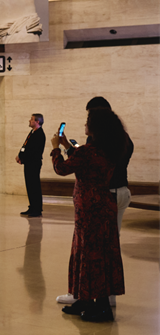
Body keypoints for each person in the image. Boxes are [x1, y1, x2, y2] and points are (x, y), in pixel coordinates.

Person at [56, 97, 134, 307]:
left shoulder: (92, 149)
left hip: (97, 202)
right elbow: (90, 162)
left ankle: (98, 299)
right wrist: (73, 149)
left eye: (89, 118)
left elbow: (64, 168)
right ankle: (95, 297)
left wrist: (57, 149)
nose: (85, 123)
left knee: (92, 251)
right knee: (105, 248)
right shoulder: (113, 144)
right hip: (109, 198)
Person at [17, 113, 45, 218]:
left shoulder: (40, 134)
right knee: (29, 185)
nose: (29, 120)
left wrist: (23, 158)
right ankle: (32, 206)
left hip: (33, 164)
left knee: (34, 186)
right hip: (28, 163)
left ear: (37, 122)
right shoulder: (33, 132)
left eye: (32, 119)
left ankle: (37, 209)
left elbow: (34, 152)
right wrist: (20, 156)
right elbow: (25, 146)